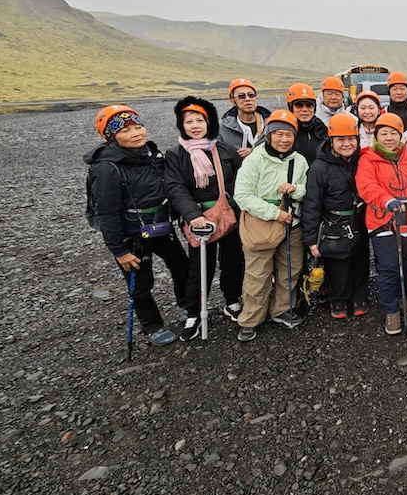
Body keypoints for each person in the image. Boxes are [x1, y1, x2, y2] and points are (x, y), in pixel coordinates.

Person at [86, 105, 189, 346]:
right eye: (125, 130)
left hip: (161, 226)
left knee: (182, 267)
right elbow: (106, 212)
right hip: (131, 233)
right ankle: (152, 325)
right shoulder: (106, 167)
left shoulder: (152, 155)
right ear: (110, 136)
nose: (136, 133)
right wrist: (119, 250)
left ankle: (186, 306)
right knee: (141, 282)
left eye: (138, 127)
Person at [164, 97, 244, 340]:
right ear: (181, 125)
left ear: (209, 122)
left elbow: (241, 178)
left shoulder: (224, 150)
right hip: (199, 221)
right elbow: (176, 188)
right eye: (189, 121)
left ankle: (232, 300)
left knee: (232, 261)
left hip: (229, 215)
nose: (195, 125)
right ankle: (194, 312)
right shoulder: (176, 155)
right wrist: (193, 216)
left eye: (200, 120)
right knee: (199, 267)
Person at [232, 109, 308, 341]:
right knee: (257, 274)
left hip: (292, 223)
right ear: (268, 135)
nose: (284, 139)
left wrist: (295, 190)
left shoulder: (299, 161)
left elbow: (306, 189)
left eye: (289, 135)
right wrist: (274, 213)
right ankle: (251, 319)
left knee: (291, 270)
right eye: (279, 134)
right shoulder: (254, 160)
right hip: (261, 224)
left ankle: (282, 309)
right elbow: (242, 196)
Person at [356, 113, 407, 335]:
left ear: (400, 135)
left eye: (393, 133)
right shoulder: (367, 159)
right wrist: (387, 201)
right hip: (383, 222)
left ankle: (400, 298)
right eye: (384, 133)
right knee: (389, 267)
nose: (389, 138)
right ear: (376, 136)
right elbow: (366, 186)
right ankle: (391, 311)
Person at [303, 113, 369, 319]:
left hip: (359, 220)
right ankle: (339, 299)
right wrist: (311, 239)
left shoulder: (363, 160)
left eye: (351, 139)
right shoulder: (319, 167)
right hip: (334, 223)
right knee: (338, 263)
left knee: (361, 260)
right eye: (340, 139)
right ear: (331, 141)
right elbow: (312, 203)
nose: (347, 144)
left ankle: (360, 297)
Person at [219, 78, 272, 158]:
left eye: (251, 95)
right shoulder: (222, 128)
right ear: (232, 101)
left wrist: (254, 152)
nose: (247, 99)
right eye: (241, 96)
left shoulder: (271, 124)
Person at [286, 83, 328, 164]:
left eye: (309, 105)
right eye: (299, 105)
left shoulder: (321, 128)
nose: (305, 109)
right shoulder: (283, 129)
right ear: (291, 107)